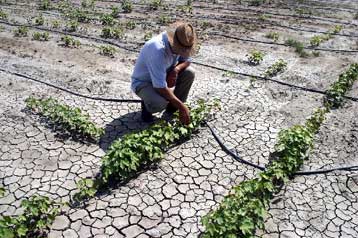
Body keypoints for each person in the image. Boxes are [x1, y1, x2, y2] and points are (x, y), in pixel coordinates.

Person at [131, 22, 197, 125]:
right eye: (181, 49)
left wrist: (176, 70)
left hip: (163, 75)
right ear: (173, 42)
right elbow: (160, 87)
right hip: (144, 82)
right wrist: (182, 107)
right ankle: (147, 106)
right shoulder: (157, 49)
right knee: (159, 103)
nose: (183, 51)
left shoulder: (183, 40)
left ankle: (172, 108)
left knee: (189, 73)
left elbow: (187, 60)